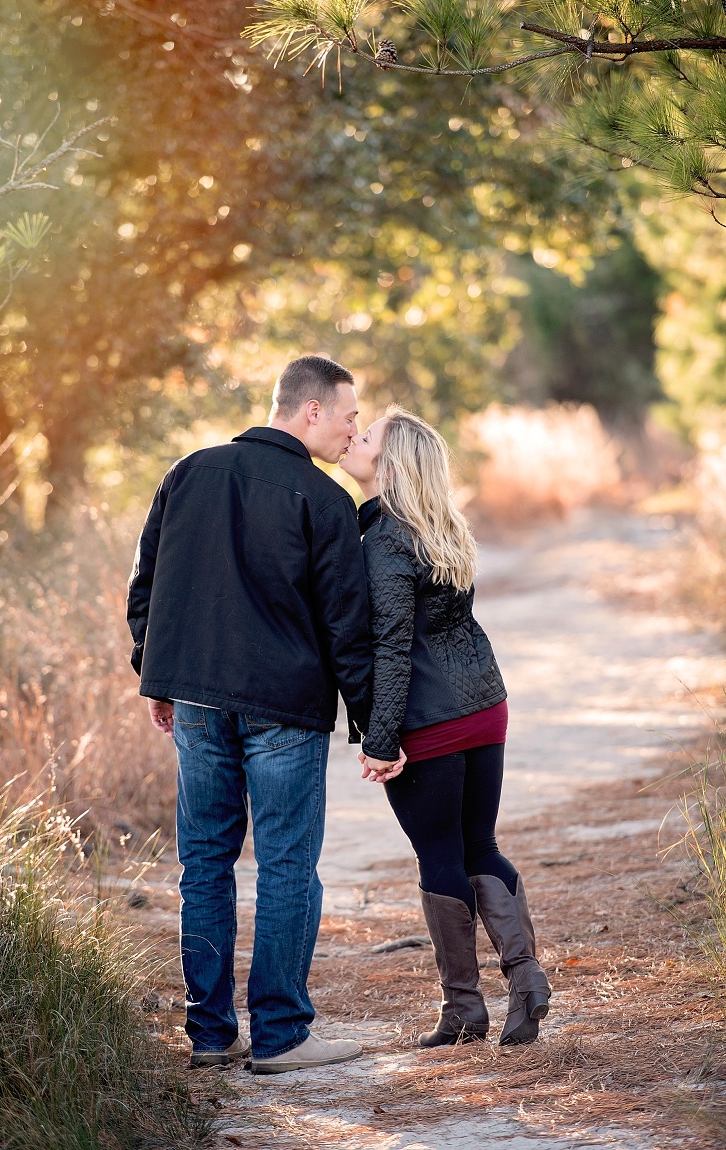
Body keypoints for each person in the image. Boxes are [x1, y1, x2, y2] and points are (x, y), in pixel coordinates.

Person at [127, 356, 394, 1074]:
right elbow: (348, 628)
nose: (354, 429)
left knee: (205, 866)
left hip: (198, 703)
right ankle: (280, 1038)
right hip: (283, 711)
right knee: (285, 867)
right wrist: (376, 726)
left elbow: (145, 584)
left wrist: (154, 673)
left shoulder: (188, 471)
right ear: (310, 411)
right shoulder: (326, 500)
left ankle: (211, 1035)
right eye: (349, 414)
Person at [339, 407, 551, 1048]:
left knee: (440, 855)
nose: (354, 438)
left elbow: (393, 648)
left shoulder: (385, 541)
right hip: (485, 707)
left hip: (431, 721)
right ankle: (527, 980)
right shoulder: (442, 531)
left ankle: (463, 1012)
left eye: (366, 436)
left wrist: (379, 743)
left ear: (390, 464)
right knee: (478, 844)